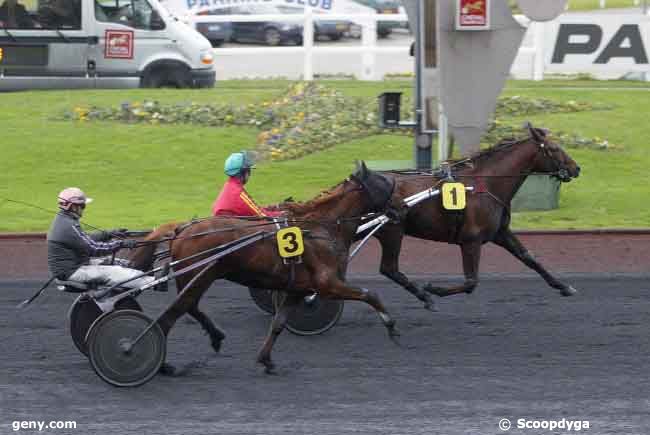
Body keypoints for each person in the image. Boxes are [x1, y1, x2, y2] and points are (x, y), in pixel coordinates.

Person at [47, 187, 157, 290]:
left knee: (121, 263)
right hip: (73, 271)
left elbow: (84, 239)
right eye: (83, 206)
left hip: (74, 266)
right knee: (114, 271)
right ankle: (153, 282)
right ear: (73, 206)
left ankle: (142, 277)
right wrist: (120, 244)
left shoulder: (64, 221)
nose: (83, 209)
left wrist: (108, 234)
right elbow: (93, 249)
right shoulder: (68, 226)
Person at [211, 151, 284, 218]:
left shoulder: (229, 186)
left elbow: (253, 208)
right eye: (248, 170)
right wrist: (282, 214)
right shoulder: (238, 193)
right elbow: (262, 215)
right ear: (244, 172)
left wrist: (272, 208)